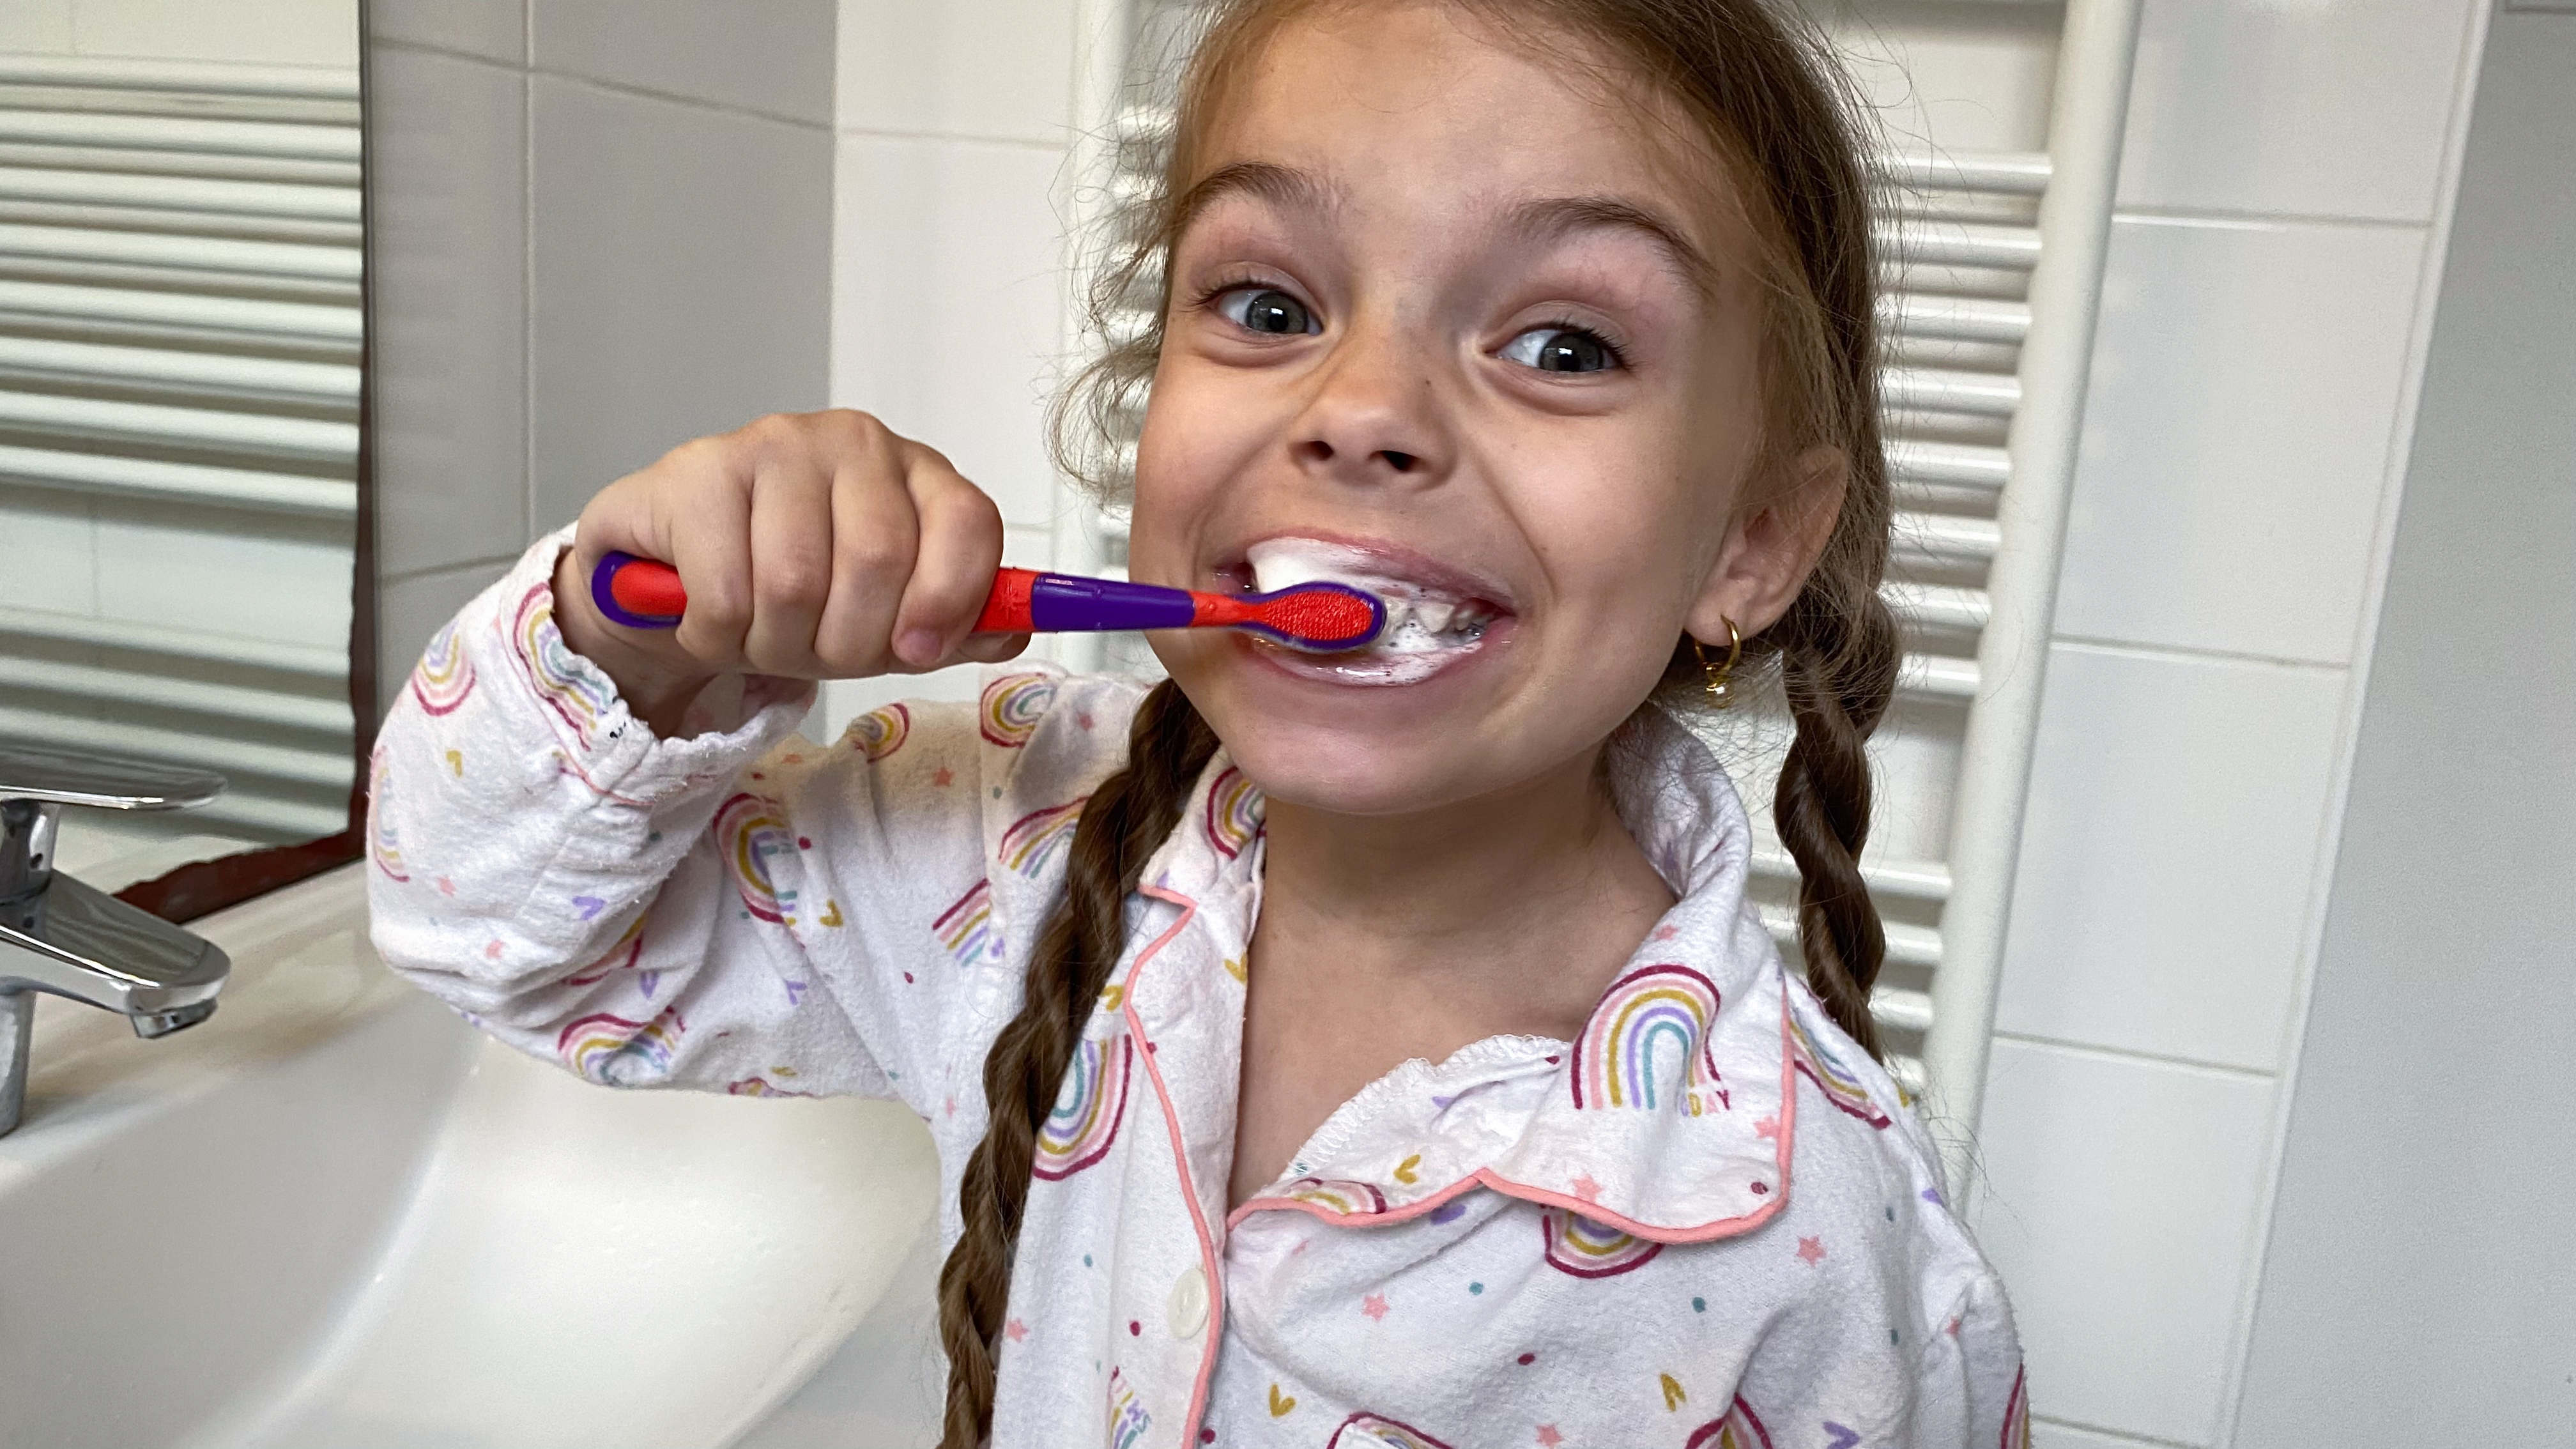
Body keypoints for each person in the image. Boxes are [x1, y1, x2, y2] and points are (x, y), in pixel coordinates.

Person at [369, 1, 2025, 1443]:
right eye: (1271, 306)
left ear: (1748, 543)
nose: (1362, 408)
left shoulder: (1809, 1247)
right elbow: (499, 933)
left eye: (1565, 341)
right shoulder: (1007, 836)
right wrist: (633, 641)